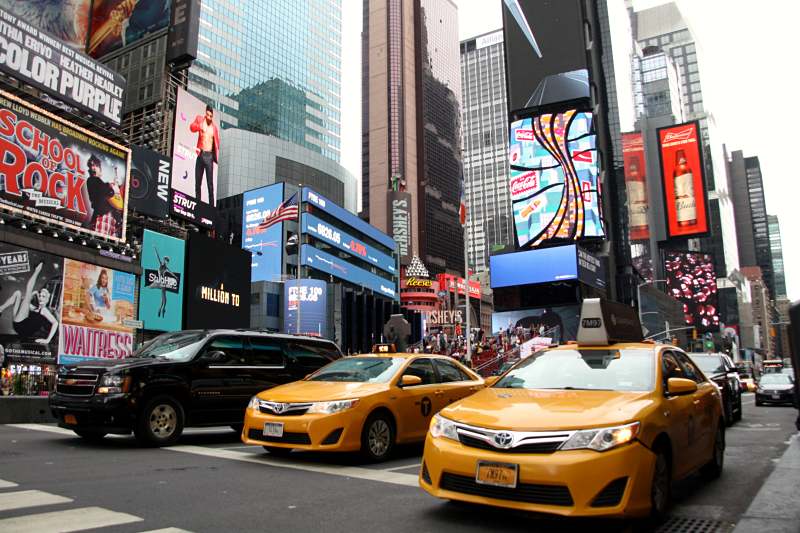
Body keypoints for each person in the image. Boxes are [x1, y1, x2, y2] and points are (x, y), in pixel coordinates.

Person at [0, 263, 58, 345]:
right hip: (19, 324)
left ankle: (37, 270)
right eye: (40, 295)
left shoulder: (44, 310)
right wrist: (34, 294)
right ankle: (1, 308)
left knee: (28, 291)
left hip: (22, 327)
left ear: (47, 299)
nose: (41, 297)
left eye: (43, 296)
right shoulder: (35, 308)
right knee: (18, 293)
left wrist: (47, 340)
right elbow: (24, 301)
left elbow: (55, 323)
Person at [190, 104, 220, 206]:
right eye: (207, 115)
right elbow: (191, 128)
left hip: (209, 156)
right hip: (200, 154)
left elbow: (217, 143)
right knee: (197, 183)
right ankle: (197, 204)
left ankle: (211, 207)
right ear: (205, 113)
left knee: (210, 185)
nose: (209, 117)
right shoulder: (199, 120)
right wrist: (199, 126)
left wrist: (216, 156)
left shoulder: (214, 128)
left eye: (211, 116)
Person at [86, 155, 124, 236]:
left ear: (100, 169)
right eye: (91, 165)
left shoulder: (102, 184)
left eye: (96, 165)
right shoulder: (92, 180)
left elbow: (116, 199)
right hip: (102, 218)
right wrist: (111, 186)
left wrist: (116, 187)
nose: (93, 168)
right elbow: (107, 191)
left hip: (112, 221)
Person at [151, 247, 177, 318]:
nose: (166, 262)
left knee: (164, 300)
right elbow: (158, 256)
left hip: (162, 283)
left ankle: (161, 309)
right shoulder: (161, 265)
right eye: (166, 260)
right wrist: (155, 249)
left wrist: (175, 277)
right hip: (160, 282)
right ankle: (161, 309)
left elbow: (171, 273)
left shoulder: (166, 268)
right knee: (164, 299)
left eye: (167, 261)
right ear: (164, 260)